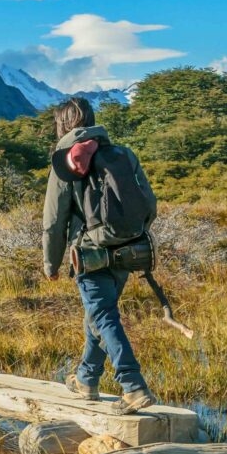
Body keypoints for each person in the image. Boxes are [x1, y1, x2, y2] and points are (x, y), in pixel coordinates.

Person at [42, 97, 156, 415]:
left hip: (89, 251)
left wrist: (51, 264)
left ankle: (133, 386)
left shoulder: (65, 162)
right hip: (128, 249)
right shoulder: (122, 154)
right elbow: (149, 203)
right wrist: (133, 234)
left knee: (102, 315)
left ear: (62, 125)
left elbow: (53, 221)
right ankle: (86, 379)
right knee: (98, 314)